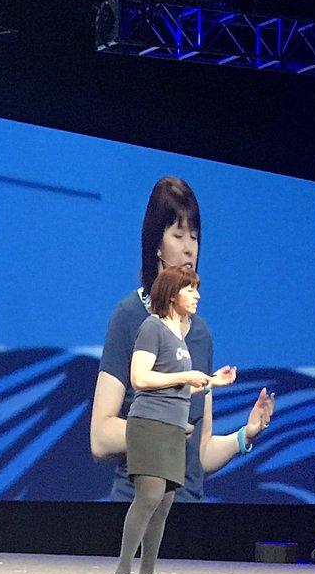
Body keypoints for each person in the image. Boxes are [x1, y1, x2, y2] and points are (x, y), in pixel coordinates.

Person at [108, 266, 272, 574]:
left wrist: (209, 382)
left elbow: (175, 386)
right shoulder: (152, 328)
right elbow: (140, 378)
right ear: (172, 295)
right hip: (150, 425)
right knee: (148, 497)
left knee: (164, 504)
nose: (197, 296)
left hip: (172, 429)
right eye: (190, 290)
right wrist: (186, 376)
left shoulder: (178, 337)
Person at [92, 175, 256, 503]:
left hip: (188, 511)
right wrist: (158, 430)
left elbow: (200, 452)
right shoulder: (129, 317)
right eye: (178, 235)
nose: (188, 248)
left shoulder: (201, 334)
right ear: (157, 244)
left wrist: (244, 436)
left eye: (194, 237)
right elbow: (100, 437)